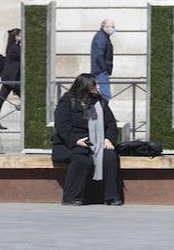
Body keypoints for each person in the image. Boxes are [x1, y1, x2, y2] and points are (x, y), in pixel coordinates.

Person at [51, 73, 122, 206]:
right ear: (84, 87)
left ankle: (111, 197)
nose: (97, 87)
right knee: (82, 159)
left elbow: (111, 123)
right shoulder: (66, 102)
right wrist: (76, 140)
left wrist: (109, 139)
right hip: (69, 144)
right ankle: (71, 197)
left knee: (109, 157)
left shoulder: (99, 102)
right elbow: (62, 127)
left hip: (97, 142)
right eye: (94, 85)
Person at [0, 28, 22, 130]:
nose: (22, 37)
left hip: (12, 79)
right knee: (1, 99)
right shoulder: (13, 48)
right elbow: (23, 56)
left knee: (1, 99)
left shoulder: (16, 47)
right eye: (20, 35)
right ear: (16, 37)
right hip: (11, 79)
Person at [90, 19, 114, 100]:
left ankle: (100, 111)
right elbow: (99, 55)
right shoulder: (102, 37)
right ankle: (103, 112)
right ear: (105, 27)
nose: (112, 29)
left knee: (100, 94)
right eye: (111, 26)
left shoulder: (103, 36)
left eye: (113, 27)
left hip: (99, 70)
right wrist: (104, 69)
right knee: (106, 95)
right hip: (100, 71)